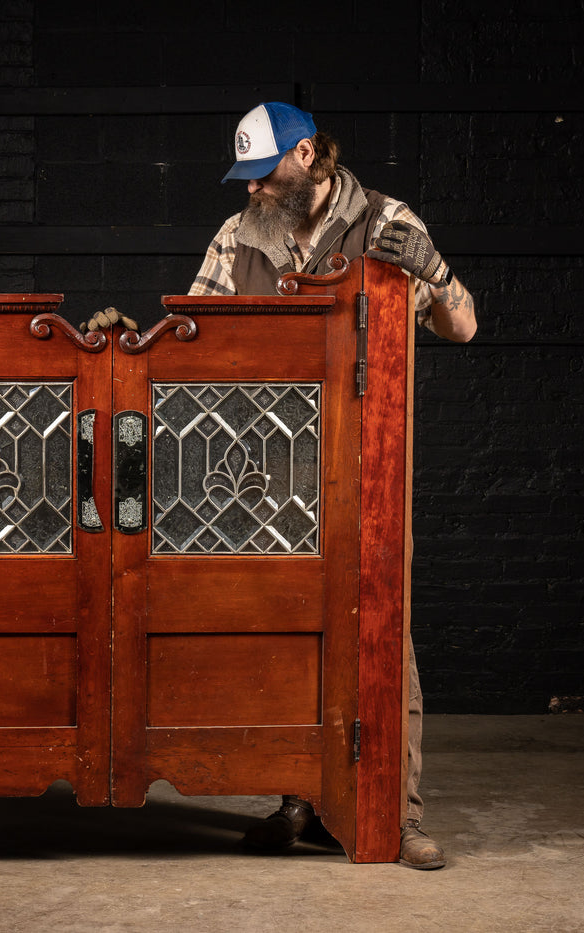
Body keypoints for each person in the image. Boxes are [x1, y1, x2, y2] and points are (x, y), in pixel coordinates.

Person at [190, 102, 477, 870]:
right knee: (288, 634)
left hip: (366, 473)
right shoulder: (237, 235)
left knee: (382, 635)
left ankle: (396, 813)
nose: (251, 191)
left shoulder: (387, 224)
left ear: (307, 153)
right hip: (267, 477)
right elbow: (195, 342)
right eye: (244, 179)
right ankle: (300, 802)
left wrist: (433, 269)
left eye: (263, 175)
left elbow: (464, 327)